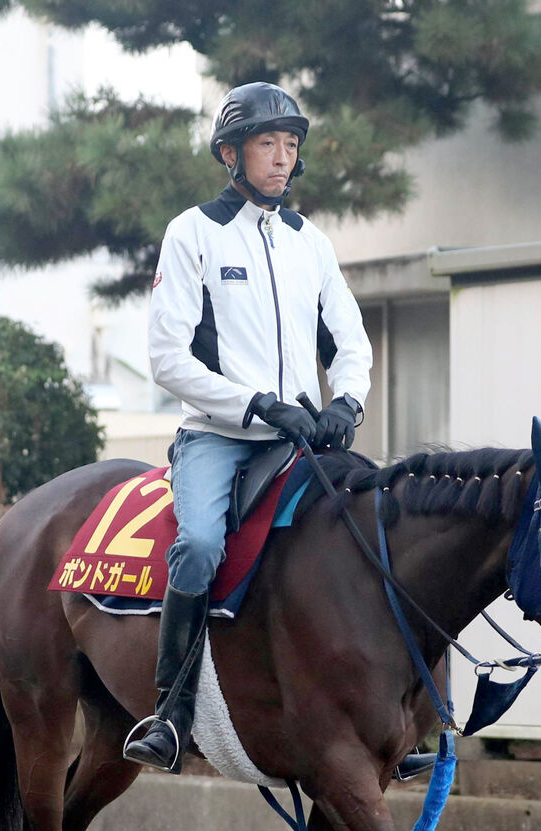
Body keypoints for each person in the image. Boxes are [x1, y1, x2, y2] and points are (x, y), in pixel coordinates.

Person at [123, 81, 372, 773]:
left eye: (291, 146)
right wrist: (257, 405)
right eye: (268, 144)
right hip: (219, 436)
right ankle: (170, 715)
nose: (283, 158)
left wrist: (346, 402)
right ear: (231, 153)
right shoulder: (192, 232)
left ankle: (392, 720)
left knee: (377, 530)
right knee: (200, 544)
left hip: (304, 440)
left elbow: (350, 341)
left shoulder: (311, 242)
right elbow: (167, 357)